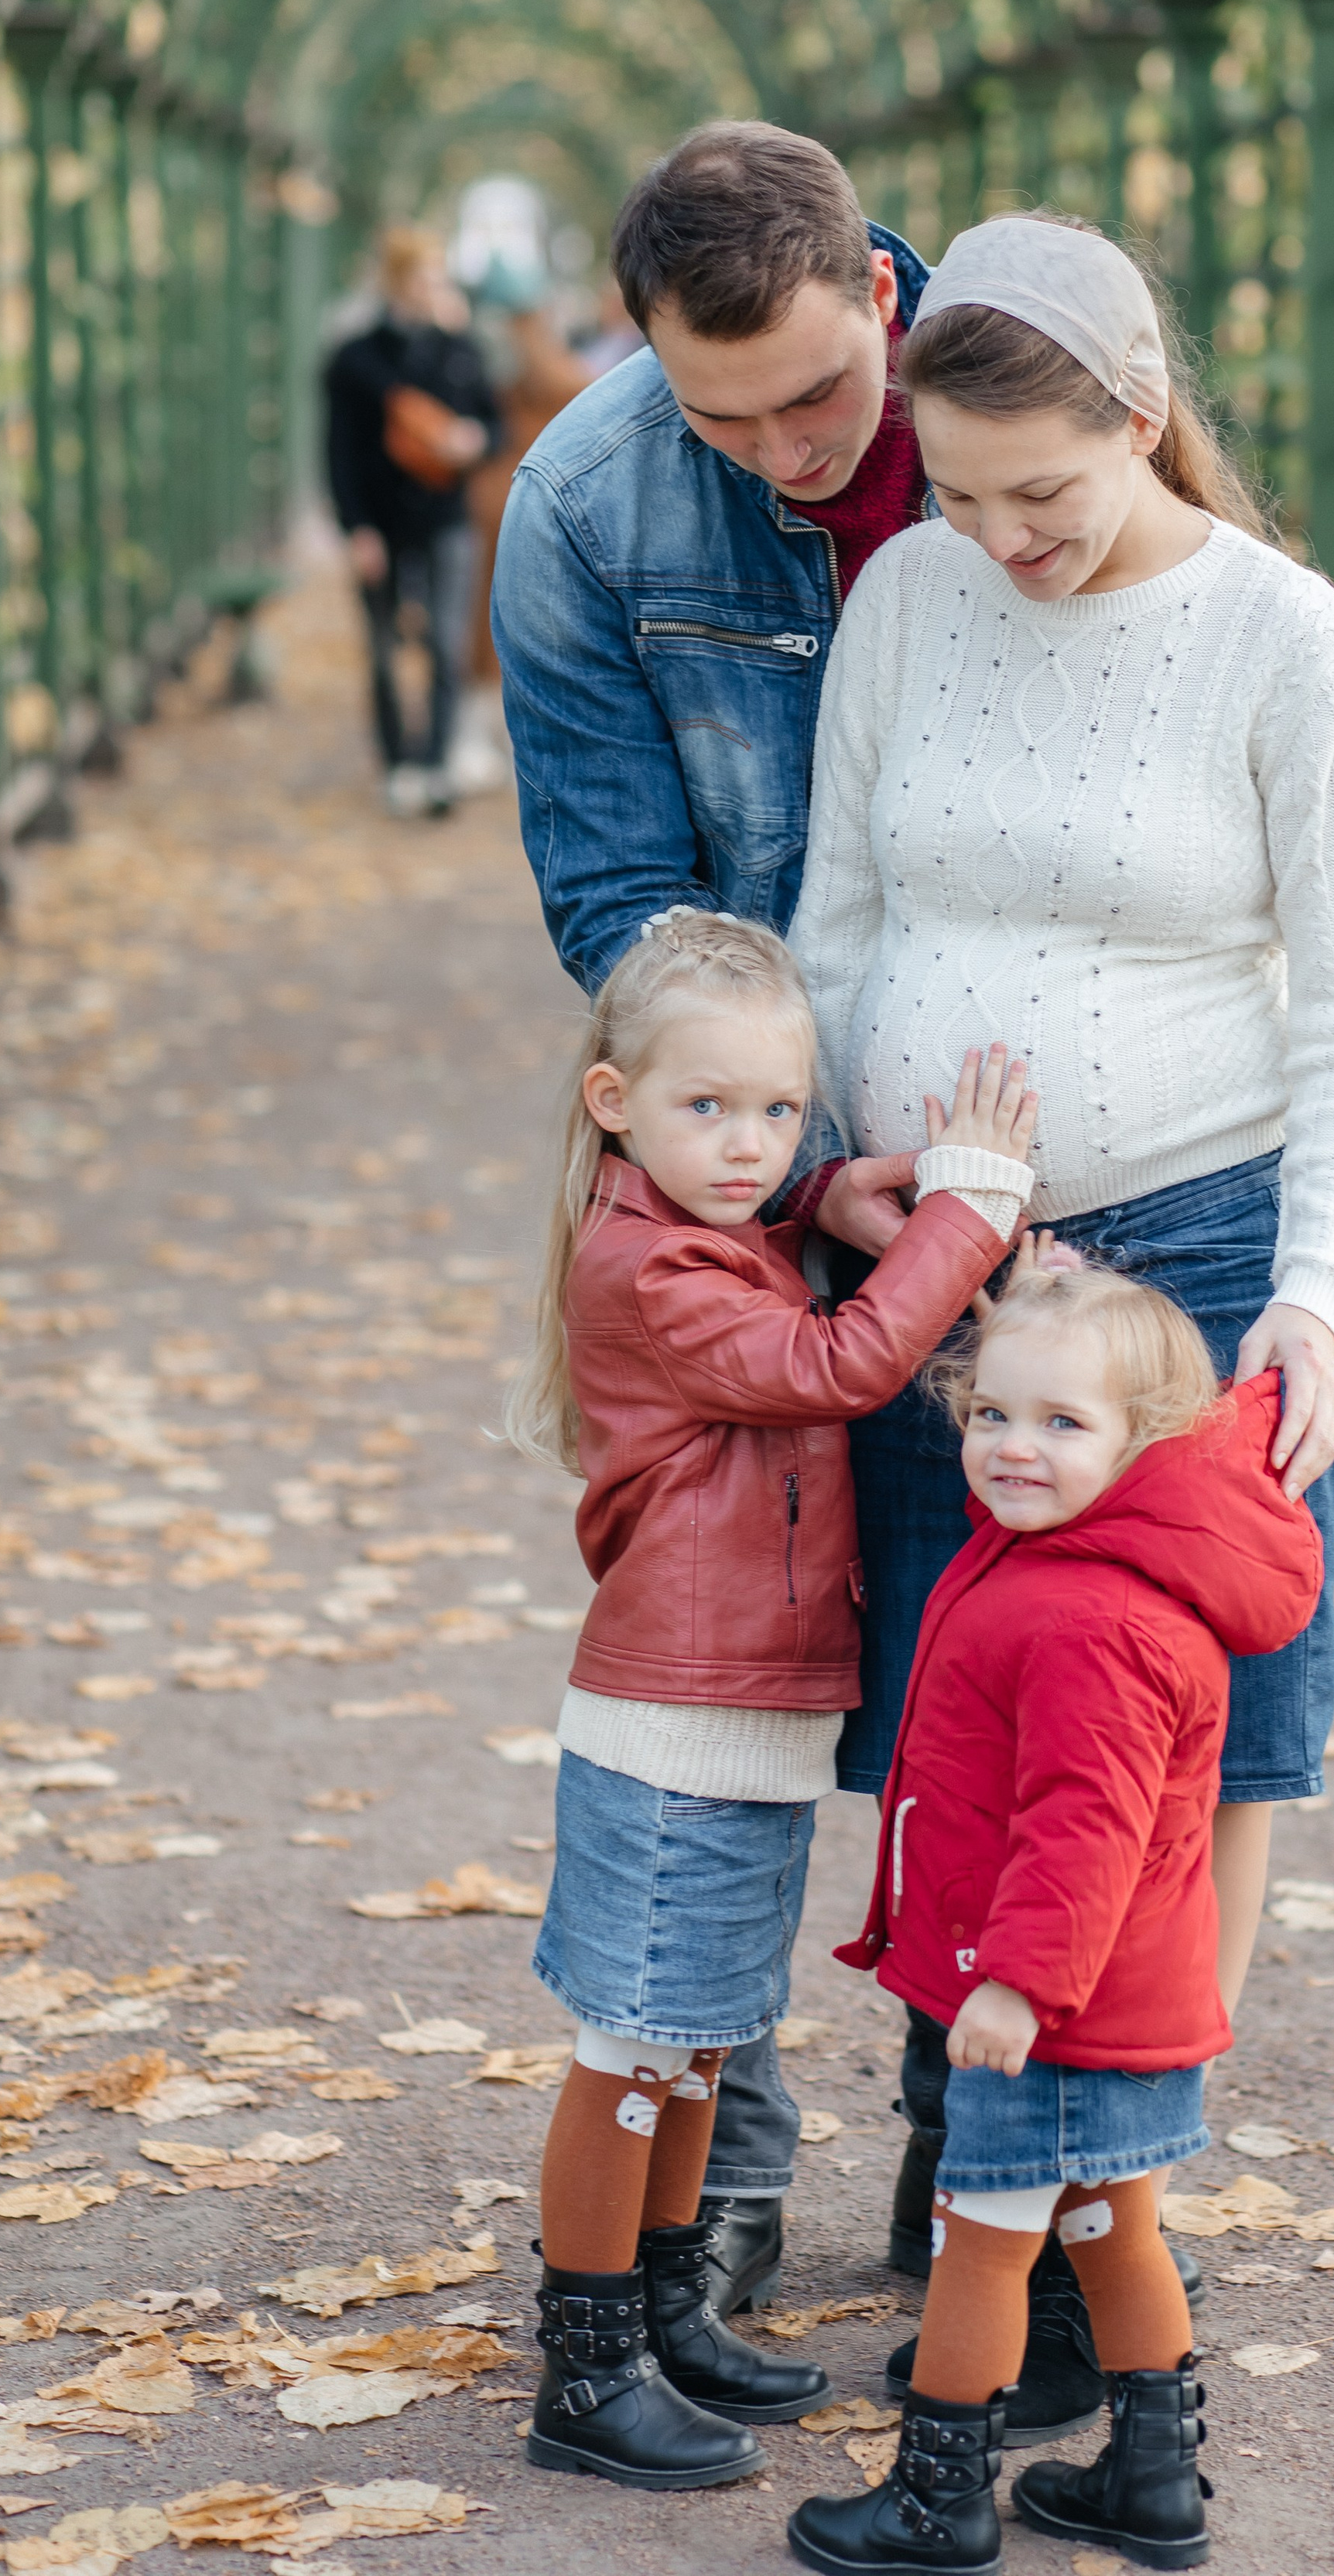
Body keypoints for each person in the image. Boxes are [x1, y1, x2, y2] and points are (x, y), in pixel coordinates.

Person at [788, 210, 1334, 2412]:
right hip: (943, 1267)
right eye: (956, 493)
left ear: (1141, 422)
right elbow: (844, 911)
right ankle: (964, 2138)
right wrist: (843, 1168)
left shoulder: (1279, 637)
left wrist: (1319, 1308)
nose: (999, 540)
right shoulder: (904, 593)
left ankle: (1108, 2201)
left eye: (1038, 493)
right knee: (946, 1695)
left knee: (1188, 1743)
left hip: (1197, 1265)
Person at [491, 121, 950, 2304]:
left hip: (1002, 1143)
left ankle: (989, 2150)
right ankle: (719, 2159)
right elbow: (615, 894)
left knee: (993, 1658)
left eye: (816, 400)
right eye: (717, 411)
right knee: (730, 1656)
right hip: (757, 1171)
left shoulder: (1029, 419)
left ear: (883, 292)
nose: (777, 451)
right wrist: (788, 1151)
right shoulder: (588, 499)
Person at [508, 909, 1038, 2494]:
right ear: (614, 1104)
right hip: (673, 1714)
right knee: (633, 2045)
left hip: (743, 1707)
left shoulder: (714, 1222)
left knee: (702, 2043)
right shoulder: (643, 1264)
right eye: (703, 1109)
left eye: (776, 1114)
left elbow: (758, 1226)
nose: (744, 1146)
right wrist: (966, 1207)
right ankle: (586, 2361)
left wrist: (820, 1190)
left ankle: (667, 2307)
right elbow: (834, 1365)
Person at [786, 1258, 1323, 2574]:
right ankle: (1152, 2481)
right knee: (1109, 2224)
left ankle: (940, 2496)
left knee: (983, 2244)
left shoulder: (1092, 1613)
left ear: (1147, 1445)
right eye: (993, 1415)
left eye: (1063, 1424)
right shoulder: (1068, 1555)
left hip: (1060, 2010)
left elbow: (1088, 1827)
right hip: (1129, 2000)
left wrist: (1019, 1984)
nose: (1014, 1448)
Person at [323, 224, 501, 818]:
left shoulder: (456, 350)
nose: (437, 287)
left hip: (446, 514)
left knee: (447, 643)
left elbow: (491, 424)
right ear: (398, 281)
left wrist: (472, 439)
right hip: (381, 519)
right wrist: (356, 529)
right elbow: (339, 451)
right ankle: (398, 760)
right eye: (426, 276)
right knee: (382, 649)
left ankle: (434, 763)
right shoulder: (355, 359)